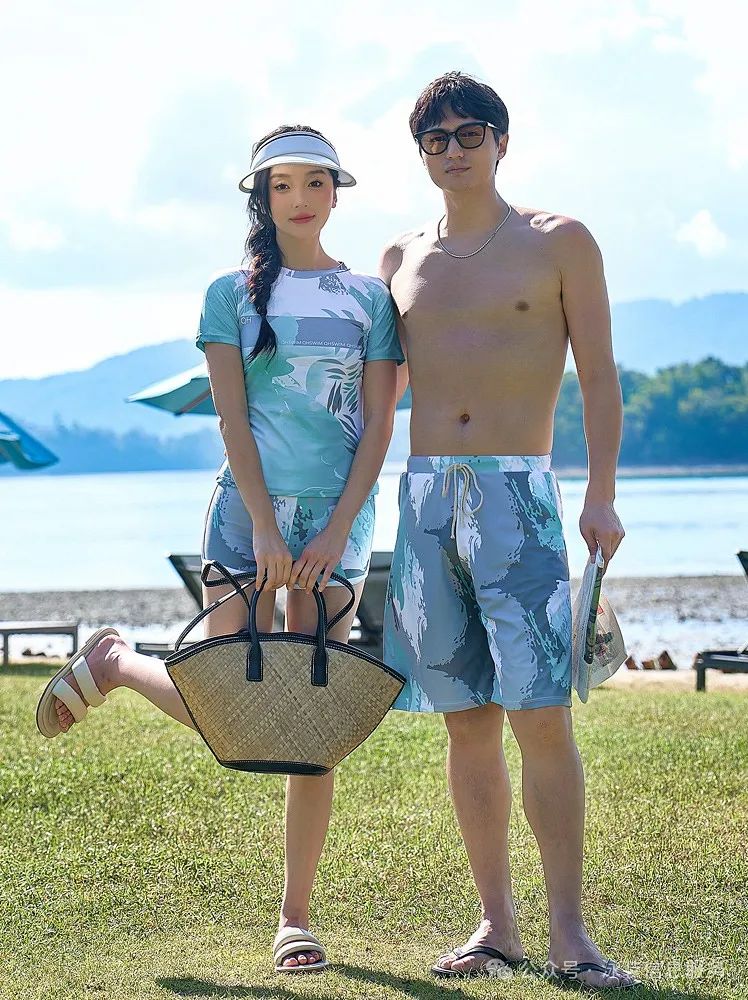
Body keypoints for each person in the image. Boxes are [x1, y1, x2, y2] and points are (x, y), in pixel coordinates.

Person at [36, 125, 403, 975]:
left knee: (313, 714)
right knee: (227, 698)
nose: (300, 198)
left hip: (340, 517)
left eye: (315, 182)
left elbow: (381, 425)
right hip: (246, 513)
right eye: (283, 185)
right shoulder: (228, 296)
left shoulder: (369, 300)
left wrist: (336, 531)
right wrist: (267, 529)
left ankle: (294, 917)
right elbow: (232, 420)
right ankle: (120, 664)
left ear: (337, 192)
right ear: (262, 198)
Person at [380, 73, 639, 989]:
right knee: (466, 723)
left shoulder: (559, 240)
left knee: (541, 715)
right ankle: (497, 926)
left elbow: (599, 377)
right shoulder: (400, 257)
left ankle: (571, 933)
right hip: (422, 501)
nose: (453, 148)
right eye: (436, 137)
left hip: (517, 497)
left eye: (470, 132)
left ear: (501, 140)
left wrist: (601, 496)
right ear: (421, 153)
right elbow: (375, 399)